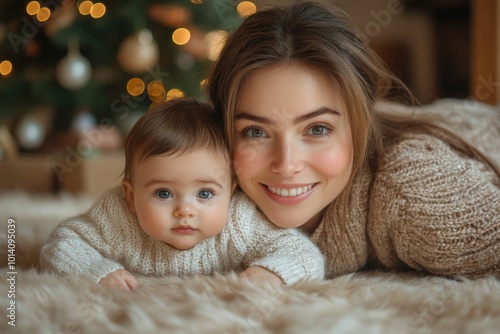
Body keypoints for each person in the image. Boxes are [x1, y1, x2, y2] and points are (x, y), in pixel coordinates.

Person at [206, 0, 500, 278]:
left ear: (361, 126)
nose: (286, 164)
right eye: (256, 132)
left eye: (317, 129)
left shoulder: (413, 193)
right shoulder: (200, 182)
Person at [40, 98, 325, 290]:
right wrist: (95, 269)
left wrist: (273, 271)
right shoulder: (118, 216)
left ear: (231, 190)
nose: (185, 210)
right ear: (131, 195)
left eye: (204, 193)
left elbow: (304, 254)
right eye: (163, 193)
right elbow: (61, 244)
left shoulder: (240, 221)